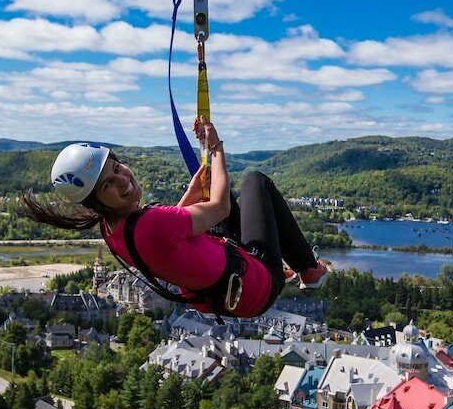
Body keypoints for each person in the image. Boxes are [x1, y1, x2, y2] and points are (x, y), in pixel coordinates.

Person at [19, 117, 328, 319]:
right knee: (255, 183)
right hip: (256, 286)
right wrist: (216, 146)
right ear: (96, 200)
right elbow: (219, 208)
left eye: (116, 168)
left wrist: (195, 189)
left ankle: (288, 269)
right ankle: (308, 270)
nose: (123, 180)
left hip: (224, 292)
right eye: (108, 185)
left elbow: (167, 237)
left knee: (215, 196)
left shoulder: (111, 227)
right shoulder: (151, 225)